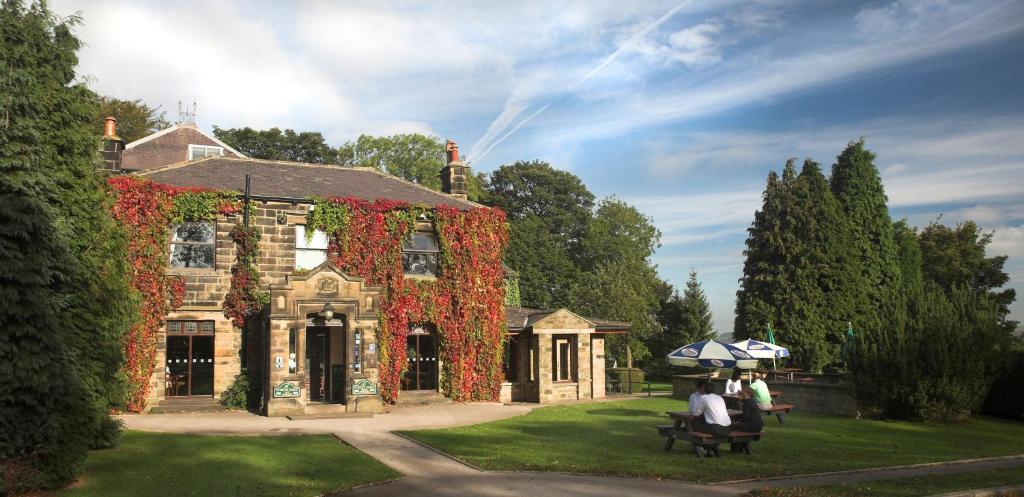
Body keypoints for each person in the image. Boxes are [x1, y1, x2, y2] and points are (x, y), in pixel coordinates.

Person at [730, 387, 764, 452]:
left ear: (748, 394)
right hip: (758, 426)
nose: (742, 393)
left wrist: (737, 422)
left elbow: (745, 417)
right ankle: (739, 446)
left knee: (732, 427)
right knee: (736, 426)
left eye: (744, 392)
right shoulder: (752, 401)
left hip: (752, 426)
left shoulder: (747, 402)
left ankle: (736, 447)